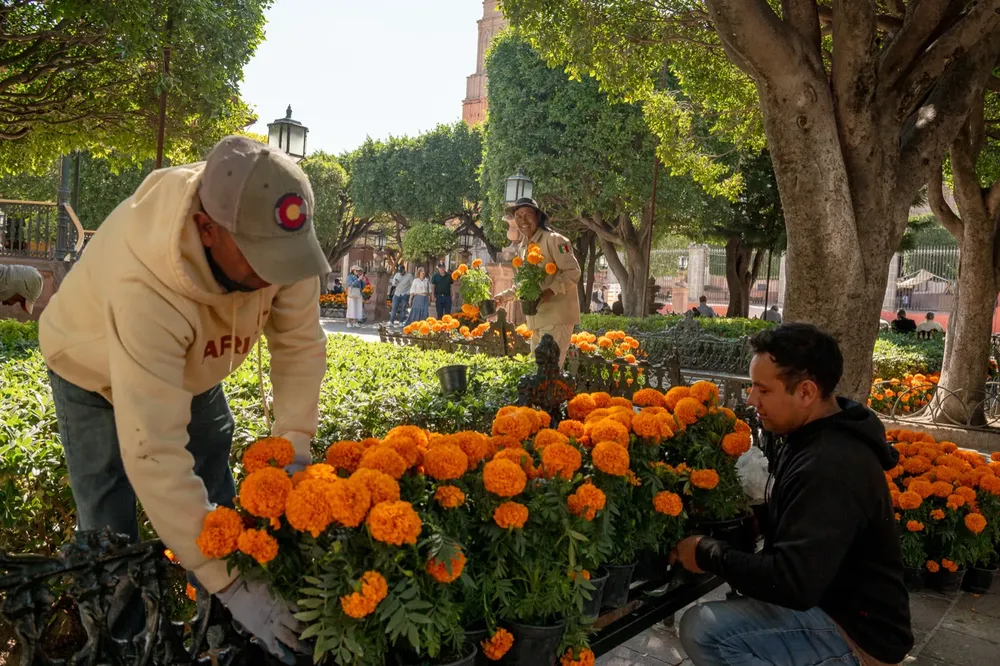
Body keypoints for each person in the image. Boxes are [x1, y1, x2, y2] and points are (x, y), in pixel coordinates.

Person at [38, 135, 329, 663]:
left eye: (284, 257)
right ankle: (124, 646)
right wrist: (233, 585)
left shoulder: (275, 229)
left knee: (216, 486)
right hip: (89, 366)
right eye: (260, 259)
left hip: (190, 365)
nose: (276, 273)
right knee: (109, 526)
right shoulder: (145, 284)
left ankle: (219, 630)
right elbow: (155, 453)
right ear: (206, 228)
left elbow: (299, 344)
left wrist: (295, 447)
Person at [673, 323, 913, 666]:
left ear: (805, 392)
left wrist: (706, 552)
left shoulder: (831, 463)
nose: (751, 400)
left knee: (704, 629)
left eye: (763, 390)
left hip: (856, 636)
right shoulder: (812, 435)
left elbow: (792, 583)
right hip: (830, 605)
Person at [495, 197, 581, 367]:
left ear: (538, 217)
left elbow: (573, 272)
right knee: (537, 371)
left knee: (549, 371)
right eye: (518, 216)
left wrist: (549, 292)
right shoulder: (523, 248)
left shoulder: (554, 240)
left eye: (528, 215)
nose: (523, 221)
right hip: (535, 319)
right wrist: (503, 297)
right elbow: (525, 285)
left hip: (556, 318)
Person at [389, 264, 413, 328]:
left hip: (404, 294)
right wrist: (395, 282)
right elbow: (393, 284)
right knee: (394, 308)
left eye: (402, 271)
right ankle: (391, 321)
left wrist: (408, 293)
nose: (401, 273)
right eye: (400, 271)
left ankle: (401, 322)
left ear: (404, 270)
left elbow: (412, 285)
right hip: (397, 294)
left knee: (403, 309)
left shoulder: (409, 276)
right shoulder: (397, 275)